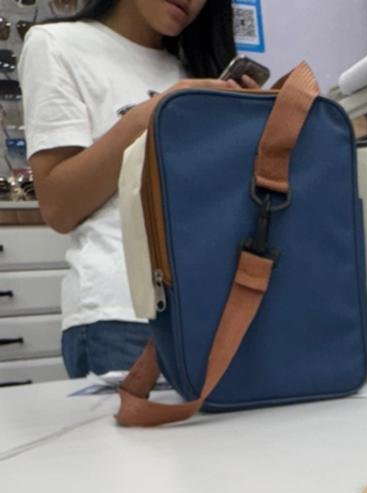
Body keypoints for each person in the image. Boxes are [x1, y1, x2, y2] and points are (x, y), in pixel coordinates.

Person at [19, 0, 251, 378]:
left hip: (213, 313)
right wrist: (151, 115)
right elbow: (59, 207)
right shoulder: (57, 43)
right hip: (121, 314)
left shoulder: (197, 69)